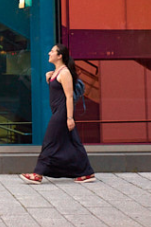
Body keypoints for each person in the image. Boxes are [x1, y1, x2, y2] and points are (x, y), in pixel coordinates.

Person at [21, 44, 95, 184]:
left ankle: (38, 174)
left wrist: (69, 118)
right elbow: (57, 91)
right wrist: (49, 78)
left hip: (62, 113)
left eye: (52, 51)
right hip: (58, 111)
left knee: (49, 142)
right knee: (74, 142)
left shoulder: (65, 73)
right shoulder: (56, 72)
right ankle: (87, 173)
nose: (49, 53)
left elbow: (68, 96)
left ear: (60, 56)